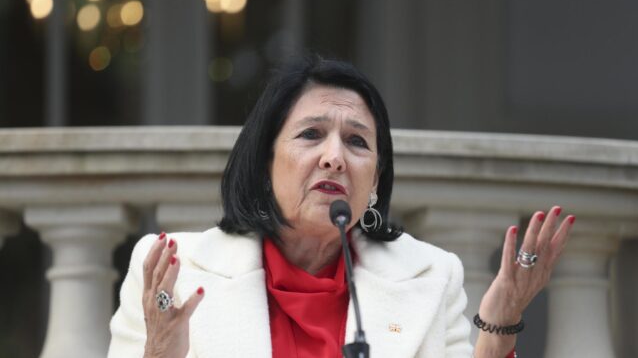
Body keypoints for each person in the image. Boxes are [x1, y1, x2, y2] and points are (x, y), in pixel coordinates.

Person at [108, 55, 575, 358]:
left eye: (356, 141)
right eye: (311, 134)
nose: (334, 156)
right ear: (264, 161)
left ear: (374, 180)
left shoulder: (433, 276)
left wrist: (500, 325)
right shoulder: (172, 270)